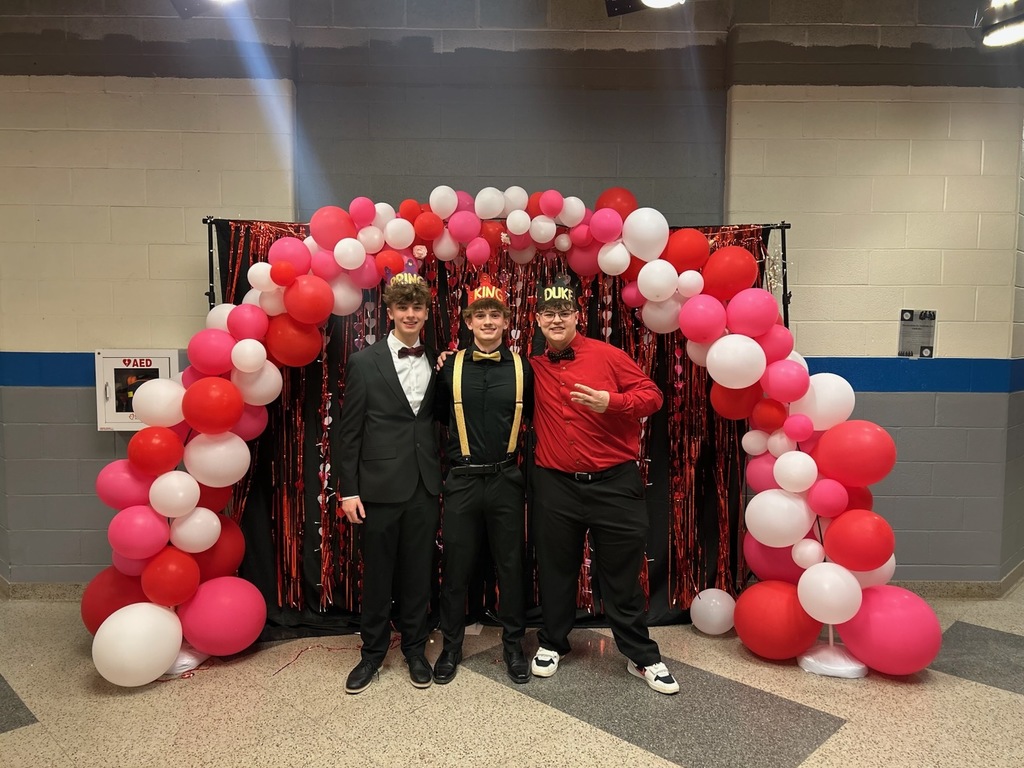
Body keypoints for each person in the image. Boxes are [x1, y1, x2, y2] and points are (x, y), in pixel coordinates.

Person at [528, 275, 680, 695]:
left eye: (564, 312)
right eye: (548, 313)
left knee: (622, 572)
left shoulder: (608, 355)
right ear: (538, 319)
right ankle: (553, 643)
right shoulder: (531, 366)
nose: (556, 319)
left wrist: (611, 402)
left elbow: (652, 395)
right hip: (555, 483)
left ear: (577, 315)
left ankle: (641, 655)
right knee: (556, 569)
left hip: (615, 481)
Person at [336, 272, 442, 694]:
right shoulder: (365, 361)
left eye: (417, 308)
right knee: (378, 575)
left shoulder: (437, 361)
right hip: (376, 488)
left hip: (424, 486)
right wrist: (349, 490)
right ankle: (373, 654)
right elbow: (349, 432)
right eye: (403, 308)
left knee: (419, 573)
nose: (411, 314)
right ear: (391, 312)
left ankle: (416, 650)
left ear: (426, 313)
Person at [433, 276, 533, 685]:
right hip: (461, 480)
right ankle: (451, 646)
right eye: (480, 315)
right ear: (468, 322)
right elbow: (438, 417)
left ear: (506, 321)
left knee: (511, 567)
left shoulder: (524, 367)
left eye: (495, 314)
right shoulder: (448, 366)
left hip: (507, 478)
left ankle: (513, 646)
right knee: (456, 568)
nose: (488, 321)